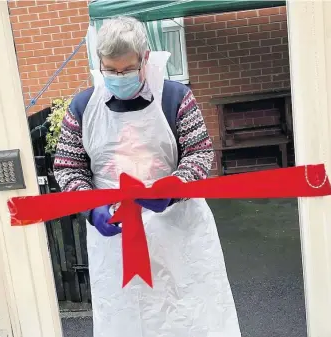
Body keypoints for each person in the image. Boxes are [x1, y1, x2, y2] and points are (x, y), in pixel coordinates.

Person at [54, 16, 241, 337]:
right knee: (127, 321)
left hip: (178, 234)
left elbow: (200, 153)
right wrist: (91, 206)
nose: (118, 77)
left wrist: (173, 186)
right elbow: (68, 166)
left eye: (126, 70)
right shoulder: (83, 107)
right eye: (110, 70)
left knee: (192, 317)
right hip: (117, 241)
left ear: (145, 59)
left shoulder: (175, 98)